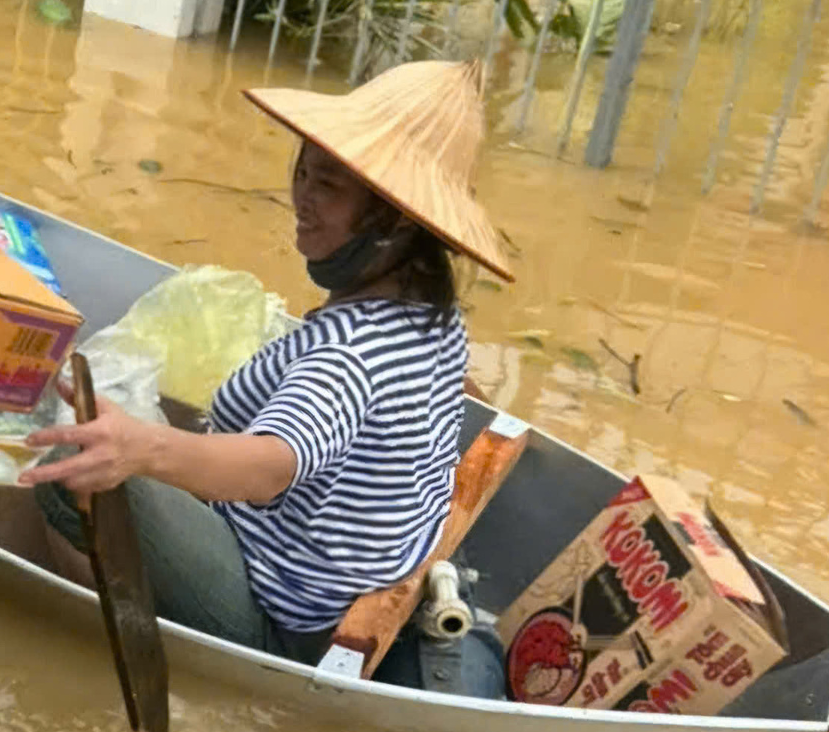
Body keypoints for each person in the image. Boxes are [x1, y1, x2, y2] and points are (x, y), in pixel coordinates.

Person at [25, 59, 510, 664]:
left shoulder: (348, 355)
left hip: (273, 611)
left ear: (395, 219)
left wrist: (138, 448)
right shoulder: (434, 314)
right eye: (303, 171)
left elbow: (269, 468)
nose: (301, 198)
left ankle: (98, 646)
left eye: (328, 185)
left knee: (69, 457)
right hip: (330, 588)